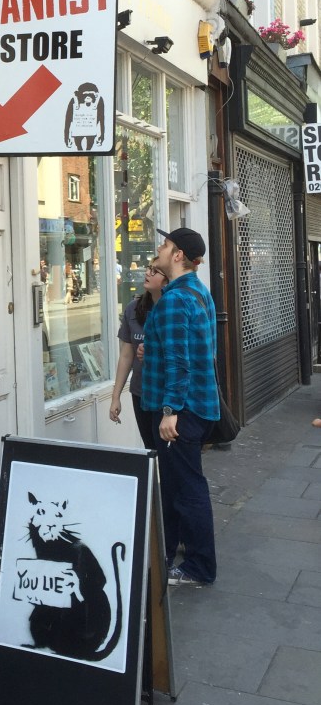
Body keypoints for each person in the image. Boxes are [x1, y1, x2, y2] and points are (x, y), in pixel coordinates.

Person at [141, 227, 220, 586]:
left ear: (177, 256)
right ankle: (168, 554)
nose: (159, 249)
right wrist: (152, 349)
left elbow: (179, 362)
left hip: (181, 412)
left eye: (165, 244)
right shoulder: (198, 292)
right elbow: (198, 350)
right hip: (198, 406)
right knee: (177, 487)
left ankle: (199, 567)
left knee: (187, 490)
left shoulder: (174, 300)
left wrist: (170, 411)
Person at [109, 260, 167, 447]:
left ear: (167, 279)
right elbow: (126, 356)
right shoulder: (133, 308)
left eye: (155, 271)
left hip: (166, 393)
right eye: (149, 269)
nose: (147, 273)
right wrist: (116, 397)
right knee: (151, 448)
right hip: (140, 391)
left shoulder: (173, 309)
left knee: (168, 452)